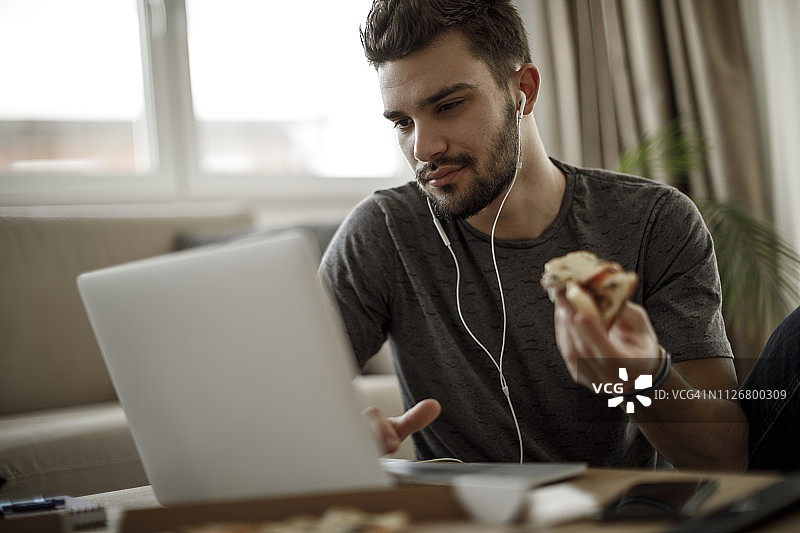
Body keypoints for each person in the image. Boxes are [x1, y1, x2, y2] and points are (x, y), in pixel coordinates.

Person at [320, 0, 747, 471]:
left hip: (617, 507)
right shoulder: (383, 233)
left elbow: (725, 455)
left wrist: (641, 378)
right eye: (403, 122)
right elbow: (281, 396)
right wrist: (334, 435)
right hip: (459, 509)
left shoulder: (655, 221)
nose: (422, 148)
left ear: (523, 90)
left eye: (449, 106)